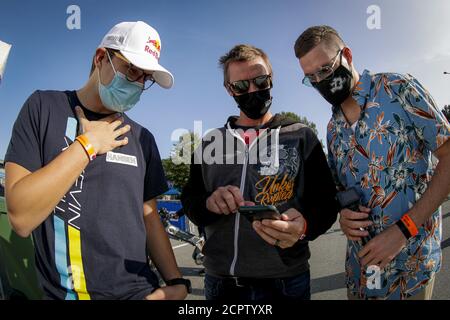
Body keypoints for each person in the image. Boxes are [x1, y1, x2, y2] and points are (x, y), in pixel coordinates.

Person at [4, 21, 190, 300]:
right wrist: (87, 146)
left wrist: (176, 283)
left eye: (146, 77)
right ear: (101, 57)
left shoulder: (143, 138)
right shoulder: (43, 107)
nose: (138, 83)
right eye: (132, 69)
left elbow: (149, 217)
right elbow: (20, 216)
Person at [294, 25, 450, 299]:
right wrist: (344, 218)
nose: (321, 81)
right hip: (361, 274)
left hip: (409, 271)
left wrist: (404, 229)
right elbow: (342, 194)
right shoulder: (333, 129)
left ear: (348, 55)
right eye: (311, 77)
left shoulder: (397, 89)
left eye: (326, 69)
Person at [181, 44, 338, 301]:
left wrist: (304, 226)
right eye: (241, 86)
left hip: (287, 282)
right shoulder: (209, 143)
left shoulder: (301, 136)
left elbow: (326, 203)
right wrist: (208, 203)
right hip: (222, 283)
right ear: (229, 90)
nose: (252, 90)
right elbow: (190, 200)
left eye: (260, 80)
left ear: (271, 79)